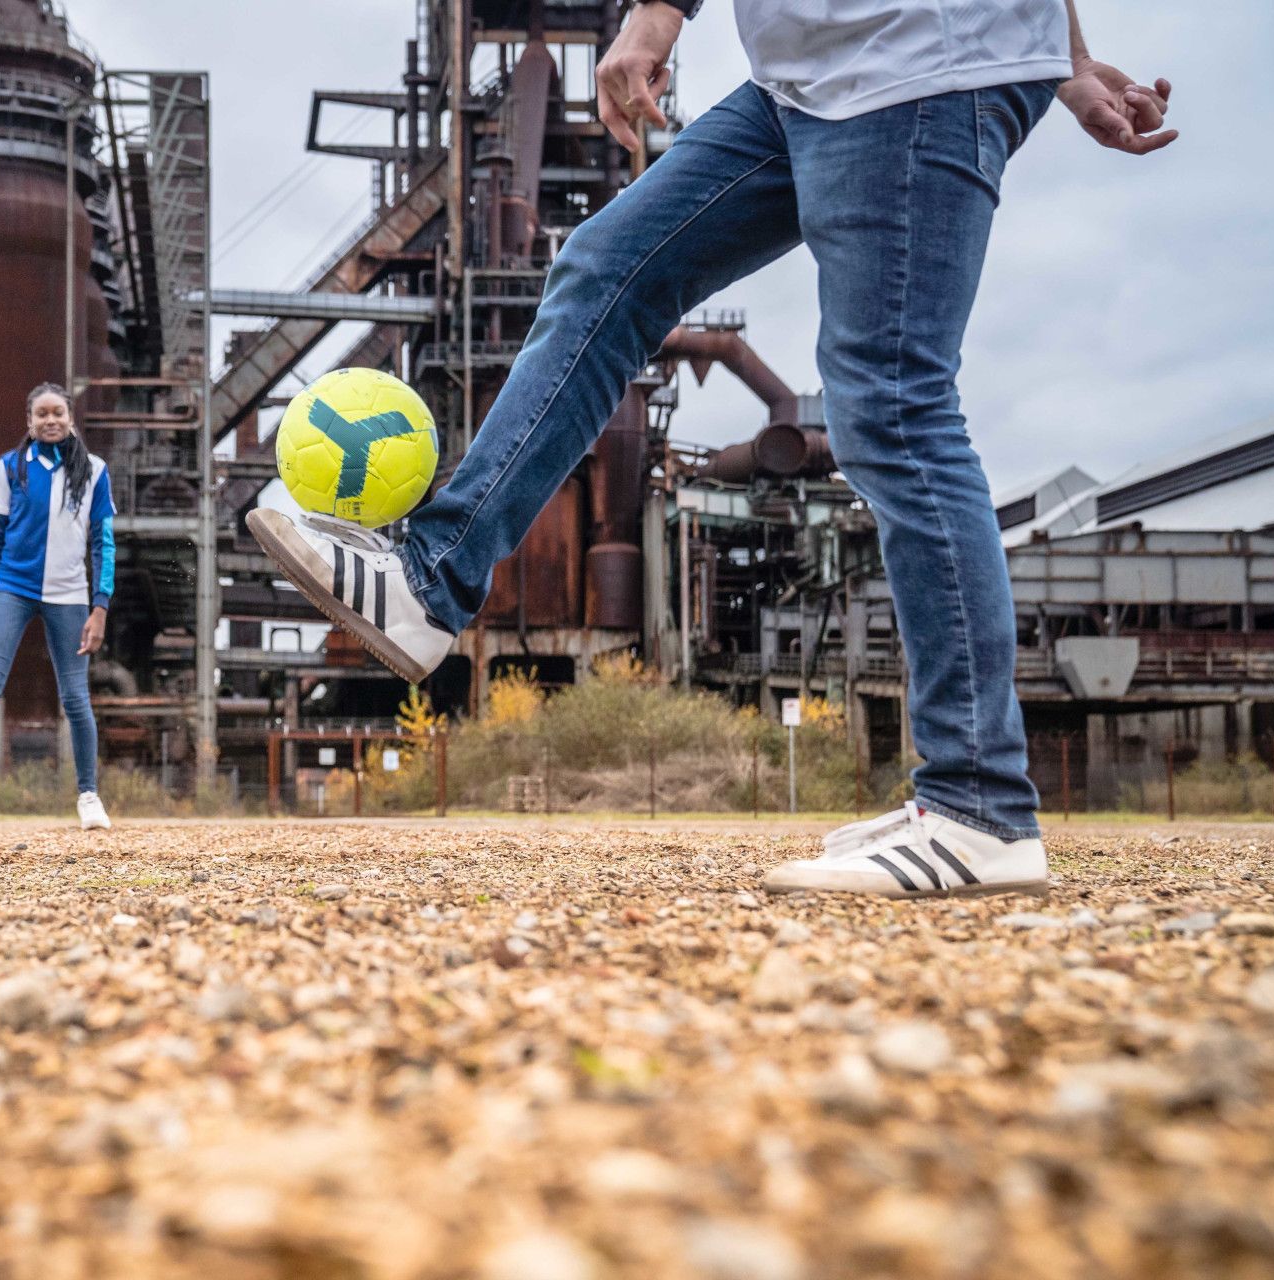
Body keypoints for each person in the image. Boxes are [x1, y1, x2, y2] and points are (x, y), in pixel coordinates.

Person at [249, 0, 1174, 898]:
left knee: (893, 405)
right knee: (607, 270)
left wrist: (660, 10)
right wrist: (1072, 57)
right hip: (804, 80)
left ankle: (979, 805)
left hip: (919, 64)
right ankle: (433, 578)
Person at [0, 383, 116, 833]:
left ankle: (89, 796)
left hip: (70, 595)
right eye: (42, 415)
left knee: (75, 698)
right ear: (29, 423)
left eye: (58, 413)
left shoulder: (94, 471)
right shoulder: (11, 468)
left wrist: (100, 607)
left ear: (71, 419)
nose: (50, 421)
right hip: (12, 589)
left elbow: (103, 544)